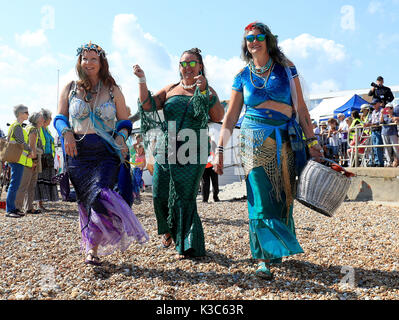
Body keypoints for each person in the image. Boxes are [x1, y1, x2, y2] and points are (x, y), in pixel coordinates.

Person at [213, 22, 322, 279]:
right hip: (253, 138)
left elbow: (302, 110)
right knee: (260, 195)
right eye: (249, 38)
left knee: (282, 195)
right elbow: (230, 116)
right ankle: (263, 258)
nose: (254, 41)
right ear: (245, 43)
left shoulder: (286, 69)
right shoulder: (241, 75)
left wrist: (313, 143)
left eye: (259, 36)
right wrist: (219, 149)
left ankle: (277, 249)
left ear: (268, 40)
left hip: (285, 137)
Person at [54, 42, 148, 266]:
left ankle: (111, 225)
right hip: (77, 151)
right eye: (84, 59)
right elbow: (60, 117)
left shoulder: (113, 89)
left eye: (93, 59)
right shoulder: (70, 88)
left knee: (100, 194)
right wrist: (66, 133)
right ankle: (91, 249)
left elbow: (125, 121)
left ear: (101, 62)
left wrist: (121, 136)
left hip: (105, 151)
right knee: (86, 201)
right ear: (79, 62)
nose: (88, 63)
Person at [134, 47, 225, 259]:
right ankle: (168, 231)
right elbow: (147, 105)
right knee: (159, 194)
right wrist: (142, 80)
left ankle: (187, 244)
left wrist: (205, 92)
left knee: (184, 197)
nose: (187, 67)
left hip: (193, 150)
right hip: (166, 148)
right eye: (183, 63)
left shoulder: (207, 91)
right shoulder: (170, 89)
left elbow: (219, 115)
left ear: (200, 66)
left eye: (192, 63)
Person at [5, 105, 33, 218]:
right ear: (20, 114)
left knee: (15, 184)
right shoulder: (17, 126)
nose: (28, 114)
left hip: (17, 159)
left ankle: (14, 208)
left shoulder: (17, 126)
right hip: (17, 159)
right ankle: (10, 209)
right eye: (26, 112)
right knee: (14, 184)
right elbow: (22, 142)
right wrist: (31, 150)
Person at [15, 112, 44, 215]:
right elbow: (32, 147)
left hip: (26, 159)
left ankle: (27, 207)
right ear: (37, 120)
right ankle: (18, 207)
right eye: (42, 119)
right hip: (30, 160)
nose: (43, 121)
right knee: (26, 185)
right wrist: (35, 161)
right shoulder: (33, 129)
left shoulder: (28, 127)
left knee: (28, 185)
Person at [35, 108, 59, 210]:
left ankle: (42, 202)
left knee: (46, 180)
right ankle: (38, 203)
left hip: (48, 158)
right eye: (50, 117)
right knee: (40, 180)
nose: (51, 119)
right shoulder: (39, 129)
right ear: (45, 119)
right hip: (42, 157)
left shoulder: (47, 130)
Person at [364, 98, 384, 167]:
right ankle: (376, 161)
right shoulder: (373, 112)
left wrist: (369, 124)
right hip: (373, 130)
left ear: (379, 103)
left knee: (378, 146)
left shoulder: (382, 110)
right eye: (372, 104)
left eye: (374, 104)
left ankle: (380, 162)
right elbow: (371, 120)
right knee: (374, 147)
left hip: (379, 130)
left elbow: (380, 122)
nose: (373, 106)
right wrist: (366, 123)